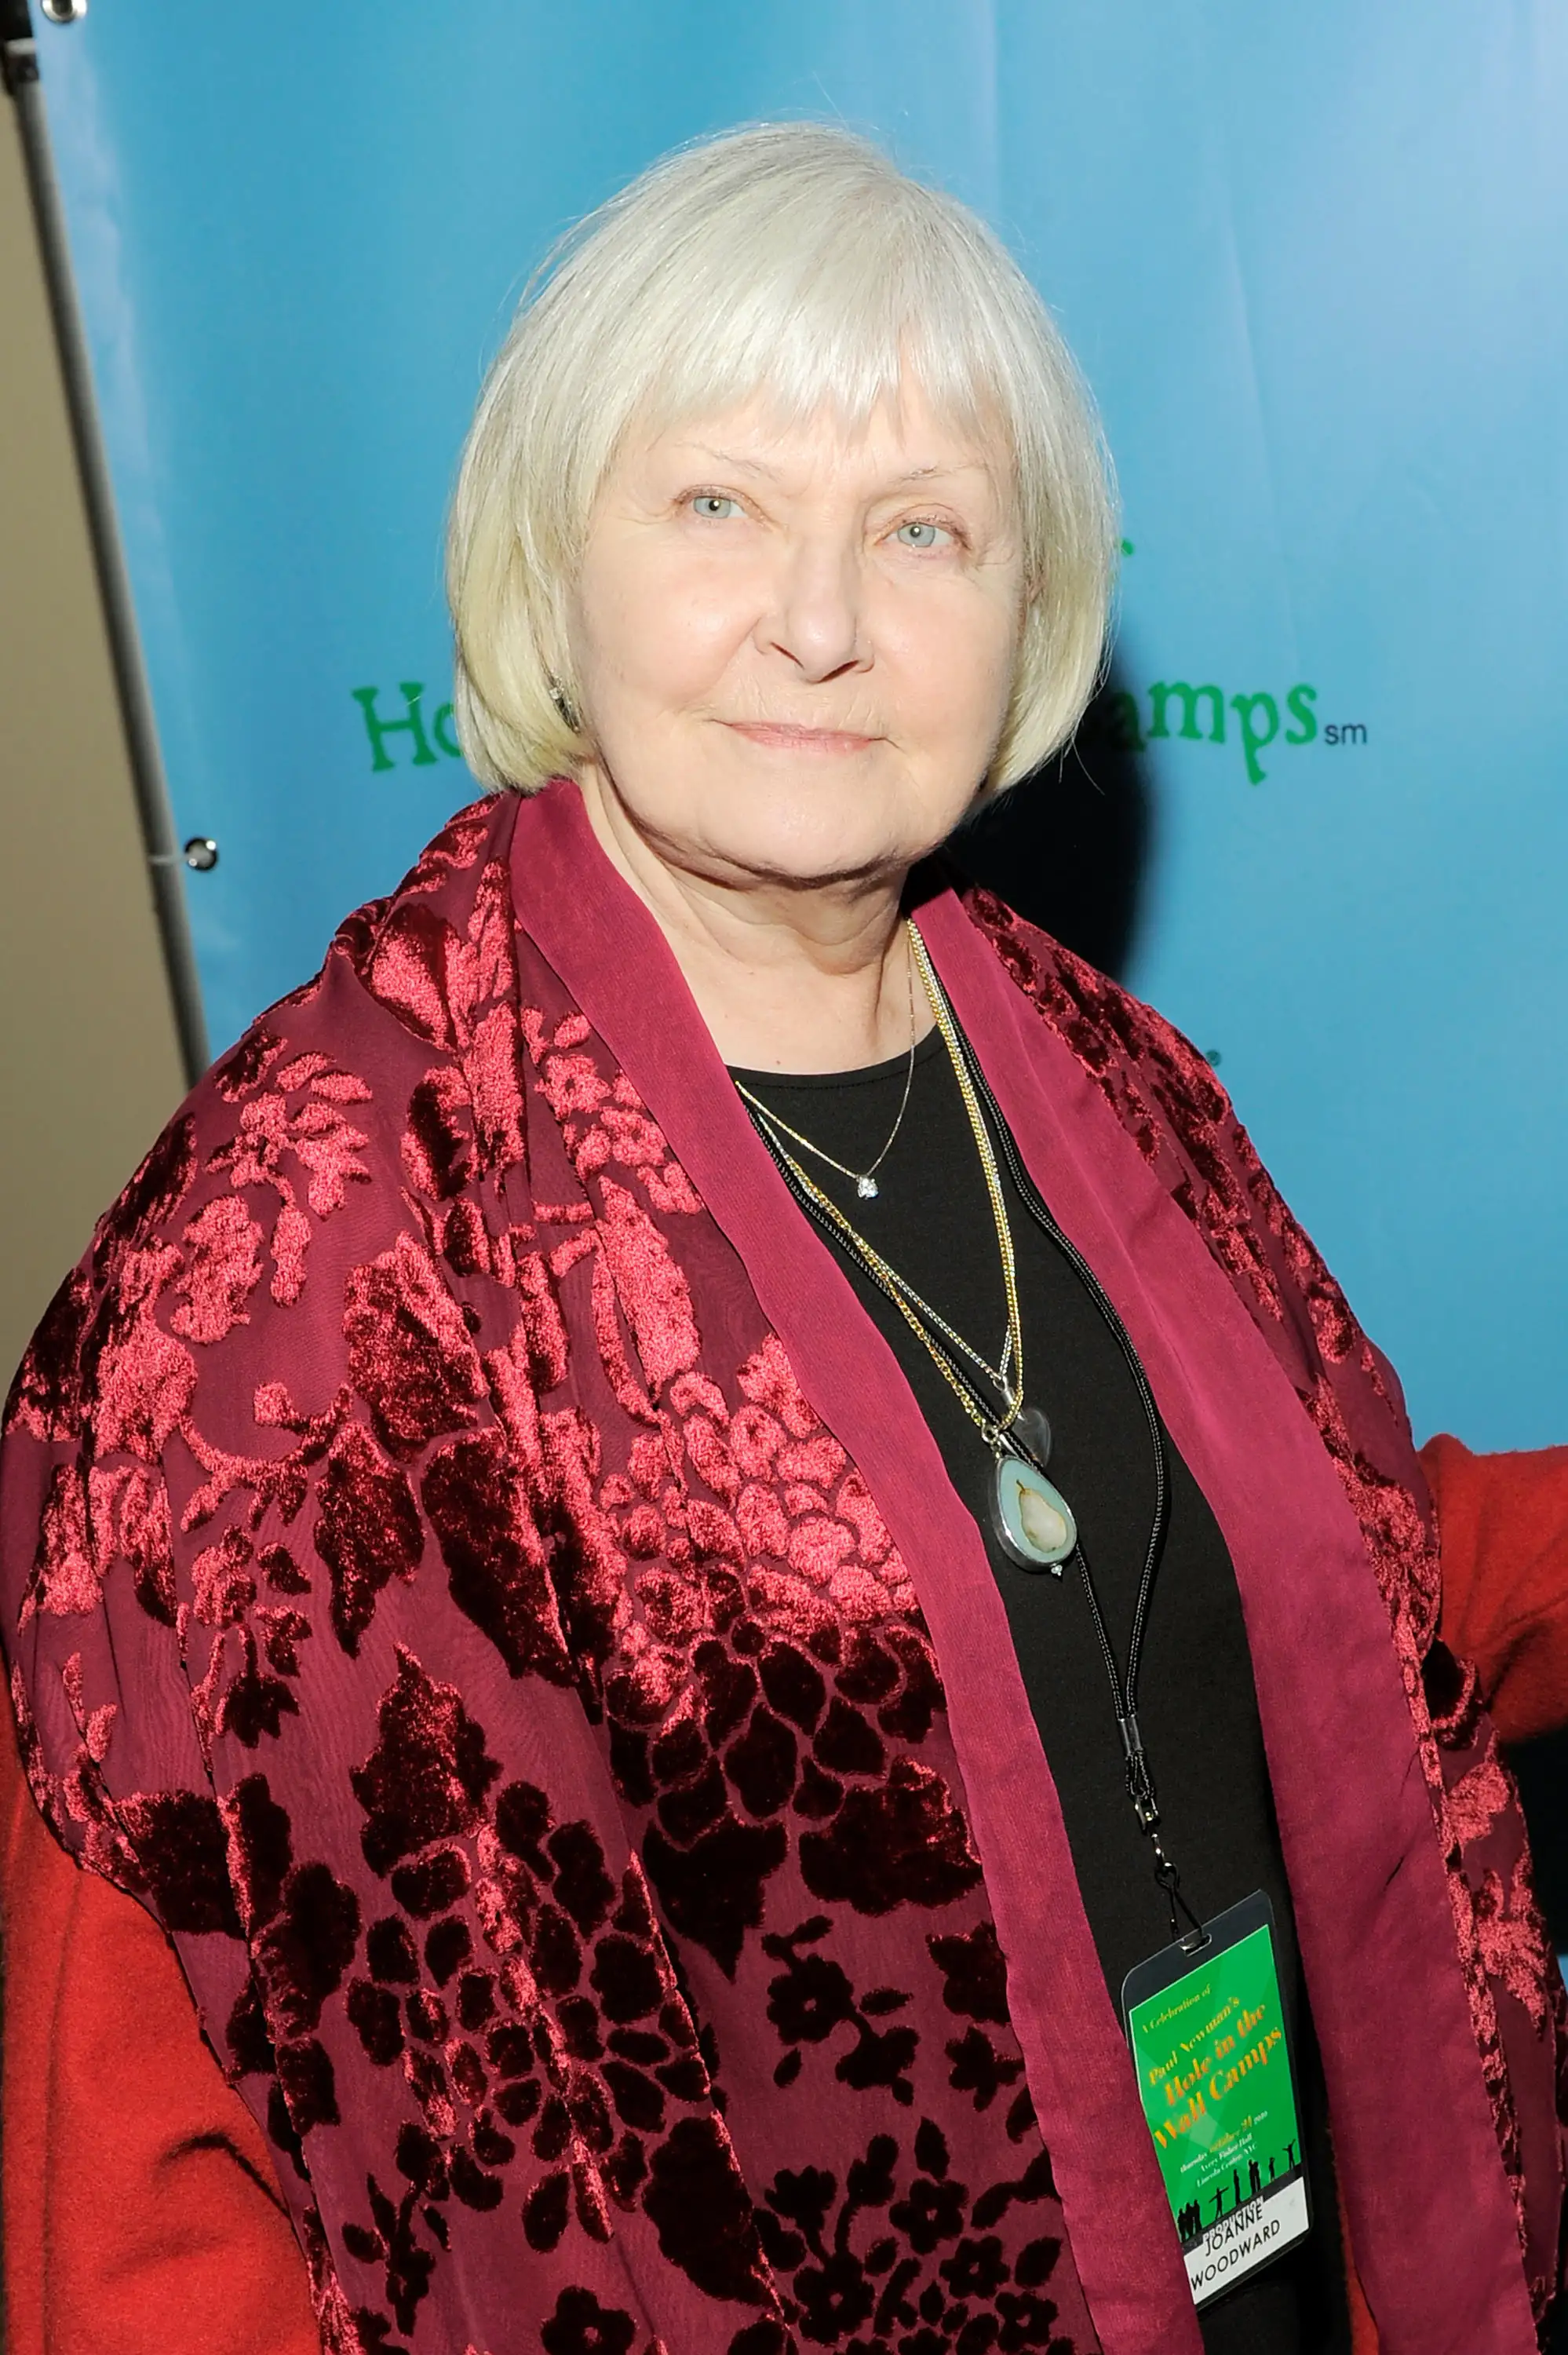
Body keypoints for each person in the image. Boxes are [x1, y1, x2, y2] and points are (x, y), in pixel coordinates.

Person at [0, 123, 1562, 2355]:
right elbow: (139, 2146)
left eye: (922, 530)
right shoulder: (301, 1252)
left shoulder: (1084, 1061)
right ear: (554, 557)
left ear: (1029, 614)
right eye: (718, 504)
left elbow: (1314, 1573)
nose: (820, 625)